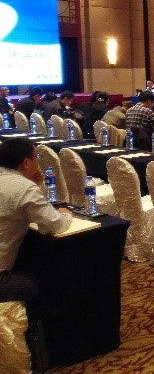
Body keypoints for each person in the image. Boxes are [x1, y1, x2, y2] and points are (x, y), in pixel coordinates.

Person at [0, 138, 72, 371]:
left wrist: (34, 186)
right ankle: (44, 351)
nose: (37, 162)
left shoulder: (18, 184)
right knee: (43, 283)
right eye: (36, 157)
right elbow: (52, 225)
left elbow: (29, 209)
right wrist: (66, 214)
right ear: (26, 163)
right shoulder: (24, 188)